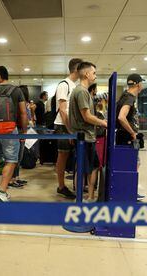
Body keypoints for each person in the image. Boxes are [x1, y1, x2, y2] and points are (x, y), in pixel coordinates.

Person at [0, 66, 28, 202]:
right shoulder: (17, 91)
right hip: (10, 129)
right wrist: (24, 131)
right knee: (11, 160)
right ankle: (2, 191)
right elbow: (23, 113)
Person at [69, 62, 107, 202]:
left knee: (92, 167)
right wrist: (103, 122)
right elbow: (86, 116)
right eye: (94, 73)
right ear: (86, 74)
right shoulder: (81, 92)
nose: (95, 76)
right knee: (84, 169)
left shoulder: (82, 91)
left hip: (86, 137)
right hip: (85, 137)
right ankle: (80, 198)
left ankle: (89, 196)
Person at [54, 58, 83, 199]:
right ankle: (61, 186)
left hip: (70, 126)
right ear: (77, 69)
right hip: (63, 126)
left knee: (67, 156)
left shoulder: (74, 85)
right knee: (62, 156)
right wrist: (70, 129)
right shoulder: (64, 85)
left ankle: (68, 185)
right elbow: (62, 110)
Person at [116, 73, 146, 201]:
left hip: (123, 136)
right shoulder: (130, 98)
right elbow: (121, 117)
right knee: (133, 164)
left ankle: (128, 190)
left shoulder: (124, 96)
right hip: (127, 137)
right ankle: (129, 191)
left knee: (130, 164)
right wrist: (133, 133)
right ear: (138, 84)